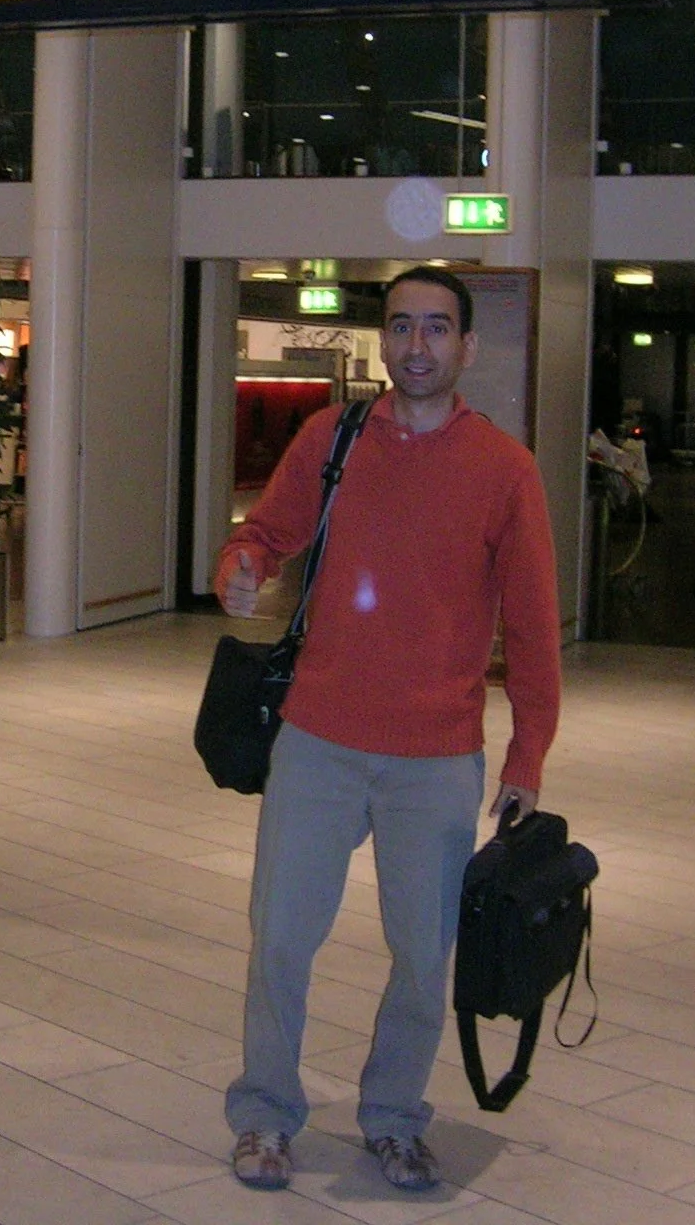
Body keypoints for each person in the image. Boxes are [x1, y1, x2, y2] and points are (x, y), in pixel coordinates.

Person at [213, 266, 561, 1194]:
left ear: (466, 348)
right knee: (281, 937)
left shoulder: (505, 469)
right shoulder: (332, 438)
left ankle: (396, 1116)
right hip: (318, 739)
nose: (417, 346)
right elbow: (266, 533)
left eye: (436, 330)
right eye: (401, 327)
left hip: (437, 757)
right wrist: (241, 565)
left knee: (422, 954)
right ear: (383, 342)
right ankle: (264, 1113)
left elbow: (531, 625)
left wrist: (528, 753)